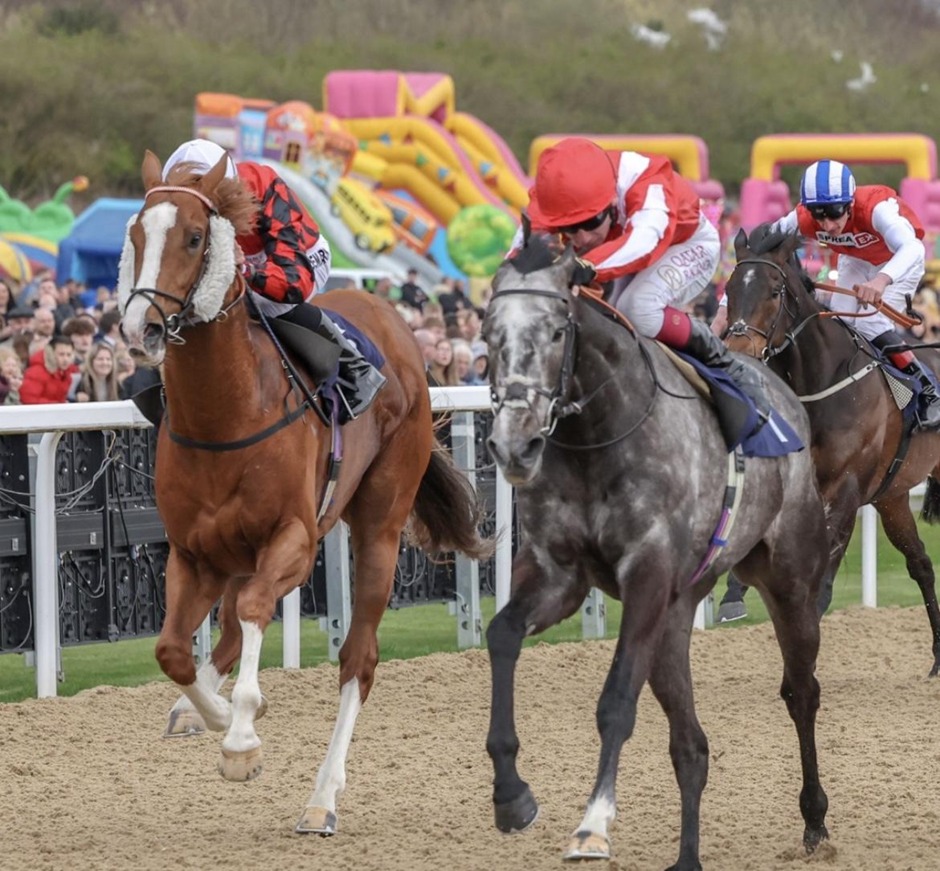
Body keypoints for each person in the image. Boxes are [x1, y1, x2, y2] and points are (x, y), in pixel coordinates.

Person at [520, 137, 770, 421]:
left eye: (590, 223)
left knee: (637, 307)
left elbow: (643, 242)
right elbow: (518, 255)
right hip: (620, 254)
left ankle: (725, 363)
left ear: (613, 201)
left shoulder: (645, 181)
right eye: (568, 229)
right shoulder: (552, 194)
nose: (582, 238)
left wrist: (581, 266)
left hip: (685, 244)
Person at [161, 139, 386, 422]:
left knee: (266, 304)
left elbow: (295, 283)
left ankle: (354, 366)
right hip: (240, 259)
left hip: (299, 258)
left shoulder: (264, 185)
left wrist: (248, 271)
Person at [771, 159, 939, 430]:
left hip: (898, 261)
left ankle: (929, 390)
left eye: (835, 213)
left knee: (869, 322)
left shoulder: (876, 208)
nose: (827, 225)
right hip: (857, 260)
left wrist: (881, 281)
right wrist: (724, 306)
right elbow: (758, 251)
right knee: (842, 325)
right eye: (818, 214)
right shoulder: (801, 217)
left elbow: (913, 249)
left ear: (849, 204)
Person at [20, 333, 78, 404]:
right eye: (61, 354)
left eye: (69, 355)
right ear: (50, 353)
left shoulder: (66, 373)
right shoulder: (36, 372)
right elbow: (28, 399)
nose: (65, 359)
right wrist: (57, 405)